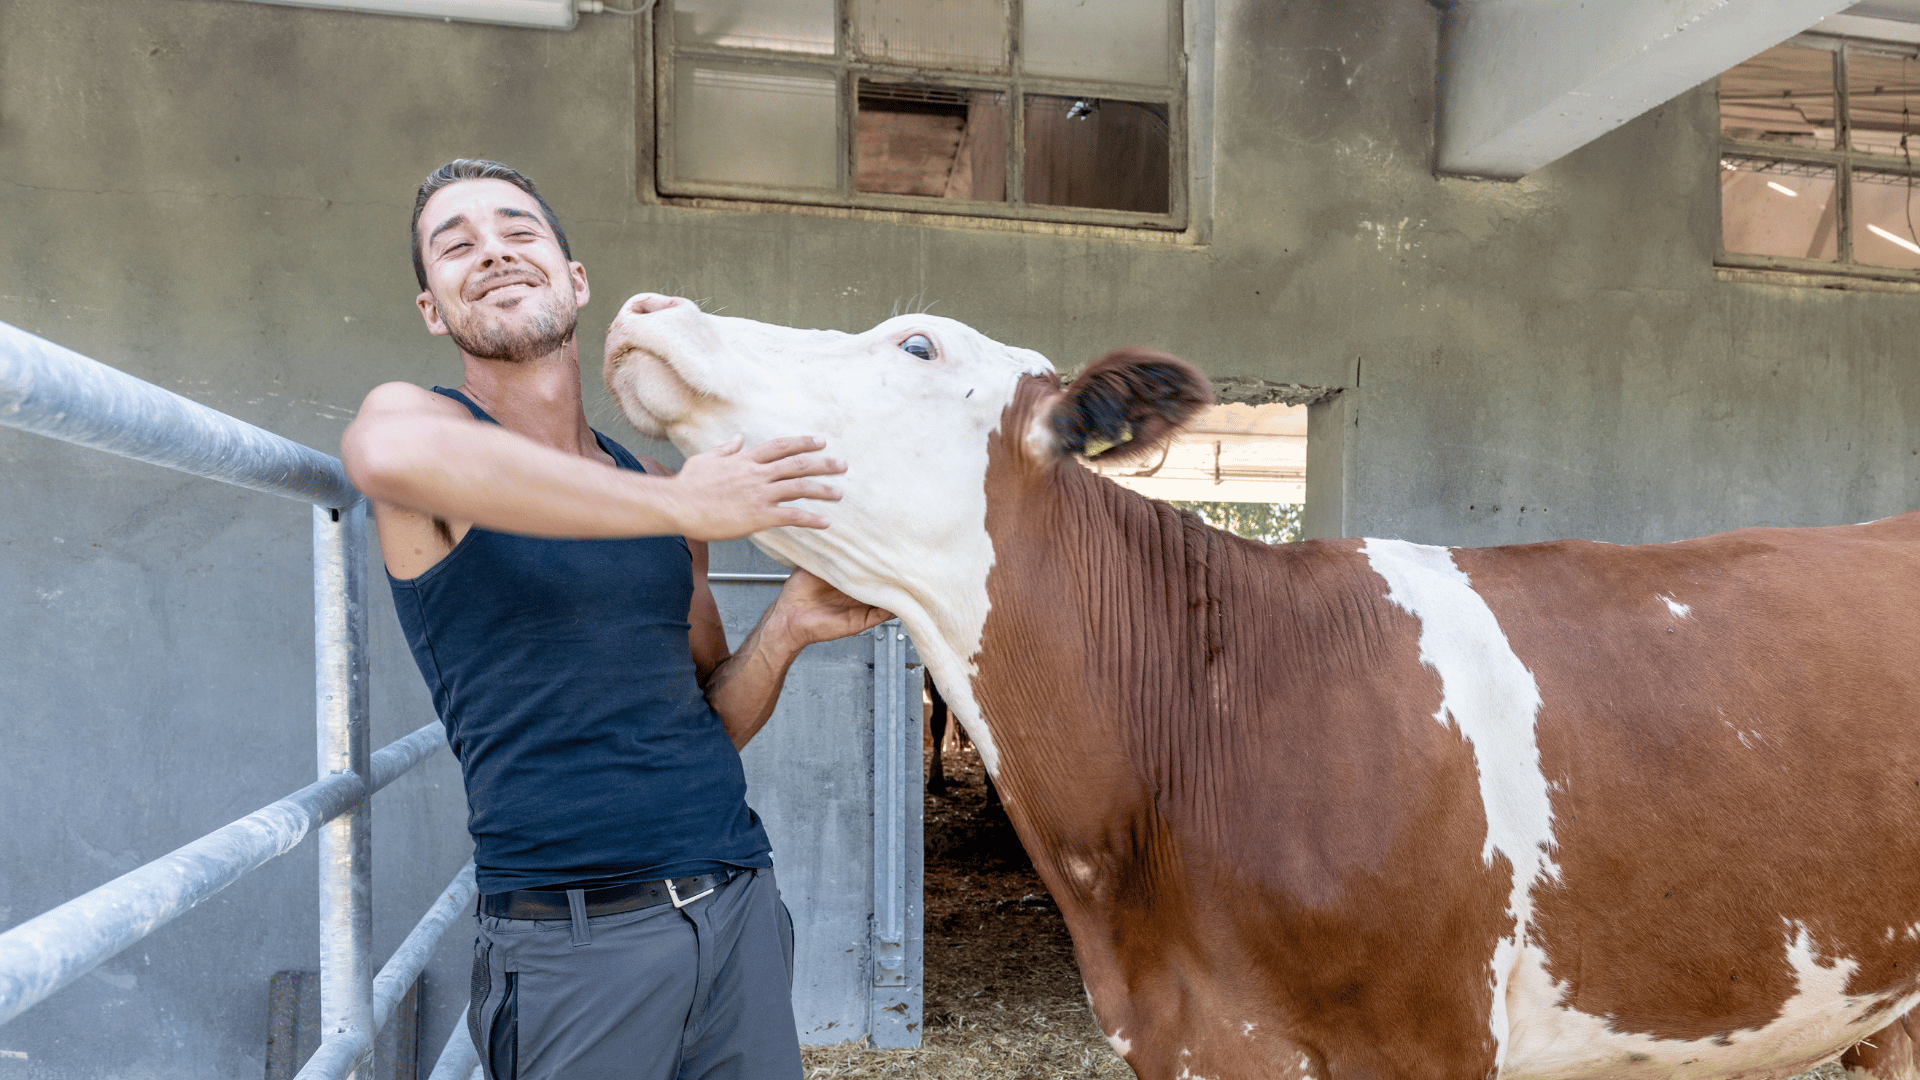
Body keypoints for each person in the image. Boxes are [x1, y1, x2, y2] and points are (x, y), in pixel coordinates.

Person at [341, 159, 889, 1080]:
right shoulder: (426, 430)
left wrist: (789, 627)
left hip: (738, 909)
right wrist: (685, 509)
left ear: (575, 278)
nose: (493, 253)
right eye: (456, 244)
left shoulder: (654, 487)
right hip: (573, 941)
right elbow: (386, 451)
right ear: (433, 309)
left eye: (519, 232)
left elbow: (710, 716)